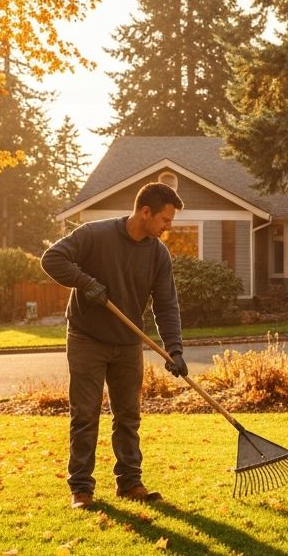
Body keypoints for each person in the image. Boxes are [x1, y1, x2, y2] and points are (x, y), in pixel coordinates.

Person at [40, 182, 189, 509]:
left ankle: (129, 482)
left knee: (128, 415)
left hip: (127, 343)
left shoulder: (157, 253)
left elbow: (166, 304)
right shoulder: (95, 234)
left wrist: (175, 349)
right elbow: (52, 259)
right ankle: (81, 489)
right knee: (85, 414)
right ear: (145, 212)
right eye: (165, 220)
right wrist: (86, 283)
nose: (168, 227)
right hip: (86, 338)